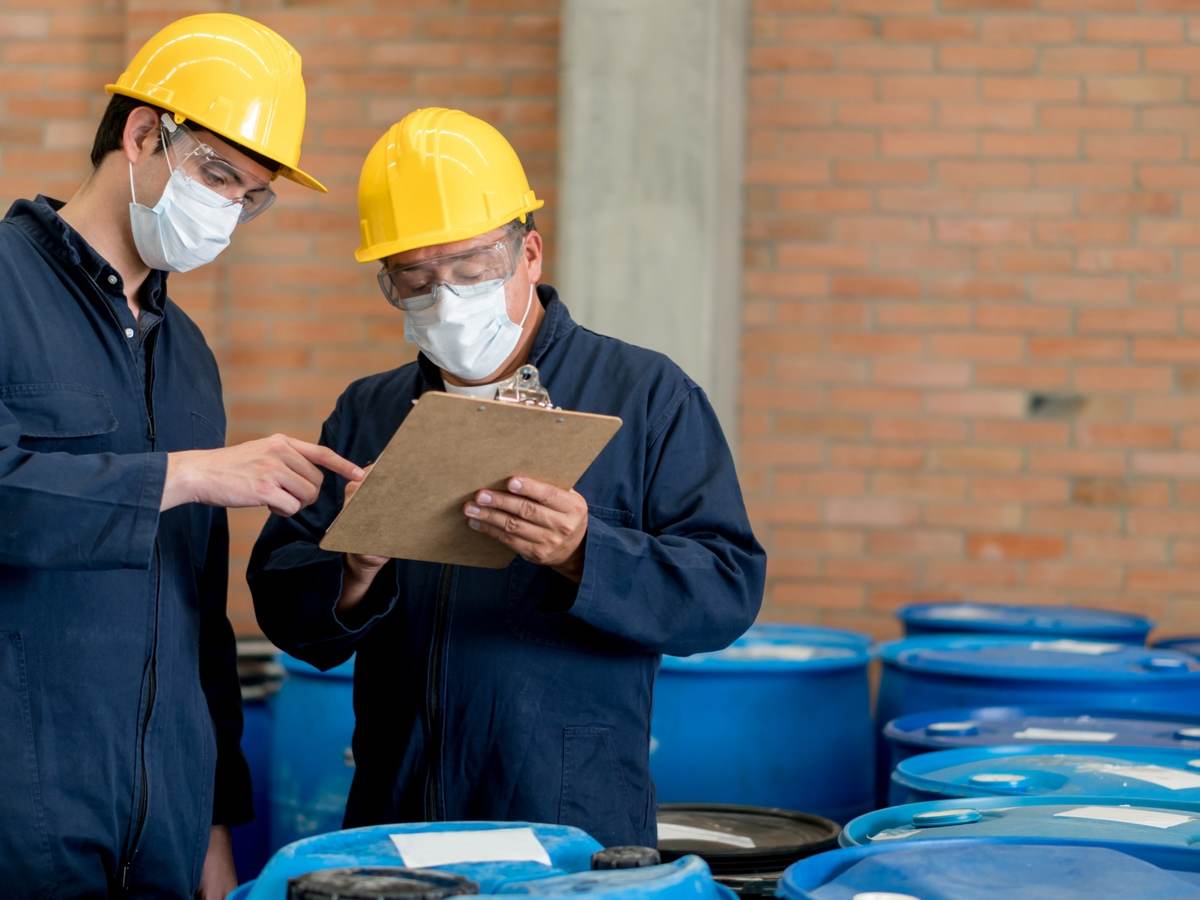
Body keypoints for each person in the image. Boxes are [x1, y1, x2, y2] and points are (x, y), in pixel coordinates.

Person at [248, 108, 765, 848]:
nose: (446, 297)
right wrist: (354, 565)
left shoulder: (644, 395)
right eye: (415, 279)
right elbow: (284, 606)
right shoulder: (369, 411)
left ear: (530, 252)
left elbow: (725, 589)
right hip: (400, 814)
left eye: (470, 268)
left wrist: (587, 551)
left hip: (571, 816)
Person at [0, 13, 363, 898]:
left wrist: (210, 830)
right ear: (139, 134)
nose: (228, 211)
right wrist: (188, 474)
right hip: (20, 826)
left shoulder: (187, 355)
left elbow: (198, 623)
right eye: (217, 175)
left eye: (250, 196)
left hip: (158, 837)